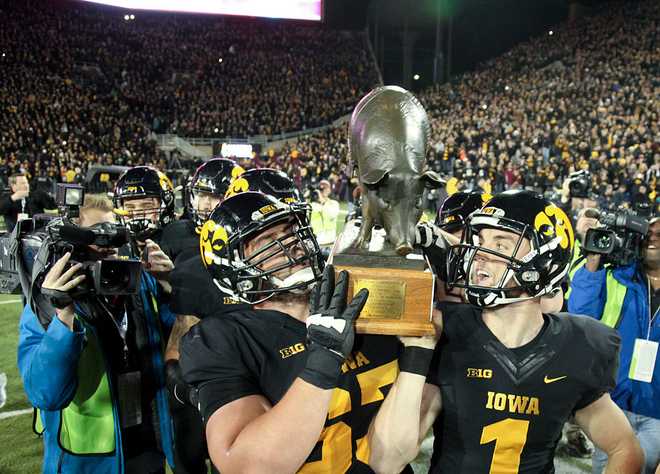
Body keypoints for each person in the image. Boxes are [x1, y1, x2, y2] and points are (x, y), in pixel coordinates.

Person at [382, 190, 643, 473]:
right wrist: (417, 355)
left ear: (543, 261)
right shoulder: (449, 330)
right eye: (480, 241)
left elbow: (624, 448)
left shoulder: (578, 345)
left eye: (501, 244)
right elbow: (387, 461)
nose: (480, 254)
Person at [179, 191, 435, 472]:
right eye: (268, 242)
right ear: (232, 269)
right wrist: (323, 360)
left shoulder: (366, 302)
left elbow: (394, 455)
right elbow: (247, 467)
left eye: (291, 233)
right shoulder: (223, 339)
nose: (292, 246)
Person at [17, 194, 176, 474]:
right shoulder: (43, 306)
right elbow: (46, 395)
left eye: (113, 236)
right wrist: (63, 315)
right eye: (96, 237)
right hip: (86, 462)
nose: (108, 248)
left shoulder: (139, 285)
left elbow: (177, 349)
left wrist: (168, 286)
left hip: (149, 448)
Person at [163, 157, 244, 474]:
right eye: (201, 194)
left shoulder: (245, 241)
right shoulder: (175, 234)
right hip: (192, 350)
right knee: (189, 453)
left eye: (215, 195)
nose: (206, 203)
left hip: (235, 360)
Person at [568, 217, 660, 473]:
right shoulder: (616, 277)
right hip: (614, 404)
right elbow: (580, 313)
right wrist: (593, 260)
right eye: (647, 233)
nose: (651, 238)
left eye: (659, 234)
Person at [310, 179, 340, 246]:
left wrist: (323, 201)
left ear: (329, 190)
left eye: (326, 188)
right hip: (316, 240)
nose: (323, 191)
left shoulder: (334, 203)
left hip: (330, 240)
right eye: (322, 190)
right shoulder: (313, 205)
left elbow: (331, 215)